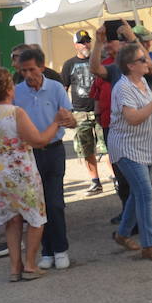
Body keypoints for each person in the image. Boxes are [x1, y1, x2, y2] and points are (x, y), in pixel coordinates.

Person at [0, 66, 66, 280]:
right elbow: (38, 140)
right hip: (20, 171)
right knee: (36, 218)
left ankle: (15, 268)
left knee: (12, 221)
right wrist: (56, 122)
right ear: (9, 88)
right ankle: (30, 264)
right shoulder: (16, 112)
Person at [108, 44, 152, 261]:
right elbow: (133, 118)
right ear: (130, 66)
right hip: (127, 148)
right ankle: (149, 244)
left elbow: (145, 114)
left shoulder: (142, 82)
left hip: (145, 146)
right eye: (142, 60)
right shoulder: (123, 87)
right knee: (146, 193)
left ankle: (123, 234)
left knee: (138, 193)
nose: (147, 62)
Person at [13, 47, 77, 270]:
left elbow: (69, 118)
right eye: (23, 71)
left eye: (31, 69)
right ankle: (47, 250)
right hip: (29, 153)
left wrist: (68, 119)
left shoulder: (56, 88)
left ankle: (60, 249)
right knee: (37, 205)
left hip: (53, 149)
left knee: (55, 203)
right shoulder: (17, 92)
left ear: (41, 67)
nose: (28, 75)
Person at [61, 31, 104, 195]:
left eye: (87, 41)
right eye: (82, 42)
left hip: (99, 110)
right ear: (75, 45)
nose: (85, 44)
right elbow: (63, 88)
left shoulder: (98, 60)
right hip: (80, 112)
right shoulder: (69, 64)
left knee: (106, 148)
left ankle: (115, 179)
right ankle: (95, 181)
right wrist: (67, 112)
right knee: (86, 150)